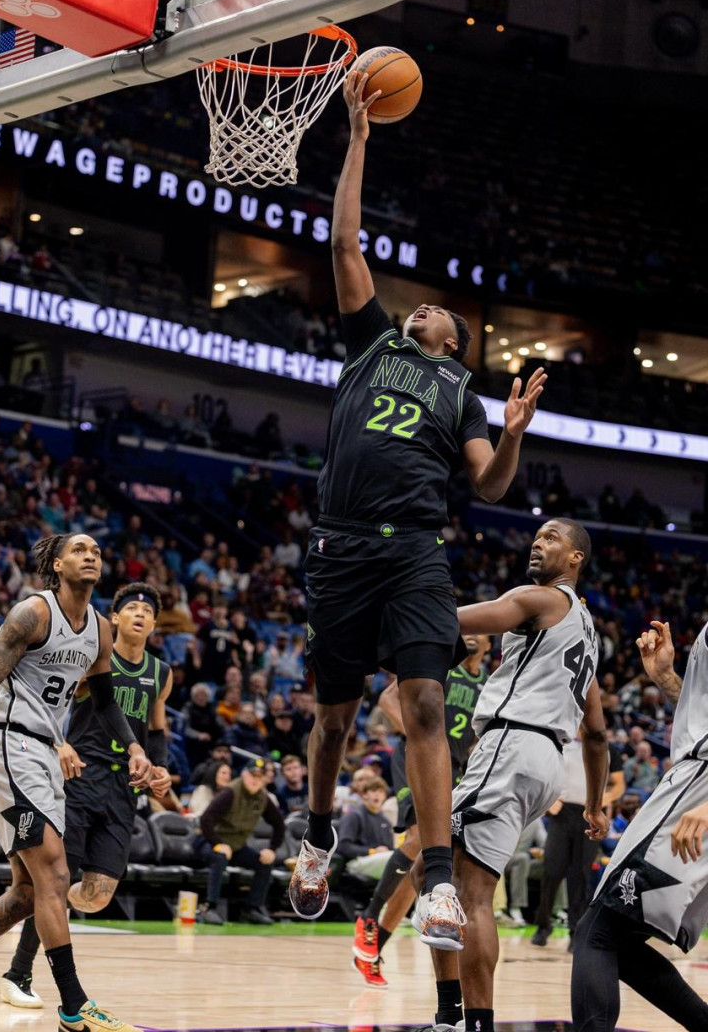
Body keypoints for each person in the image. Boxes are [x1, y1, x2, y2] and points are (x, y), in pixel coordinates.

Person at [289, 69, 546, 950]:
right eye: (421, 304)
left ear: (456, 343)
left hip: (413, 554)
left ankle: (436, 881)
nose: (423, 305)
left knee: (427, 702)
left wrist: (512, 435)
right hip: (341, 546)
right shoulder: (372, 344)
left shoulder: (463, 393)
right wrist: (359, 138)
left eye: (438, 310)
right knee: (333, 719)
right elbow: (344, 244)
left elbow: (490, 486)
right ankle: (317, 834)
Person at [434, 518, 610, 1032]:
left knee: (466, 889)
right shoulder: (586, 631)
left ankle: (468, 1023)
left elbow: (452, 619)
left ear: (575, 558)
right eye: (537, 536)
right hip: (547, 763)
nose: (538, 542)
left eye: (552, 537)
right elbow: (597, 734)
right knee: (435, 870)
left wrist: (396, 607)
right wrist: (595, 804)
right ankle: (451, 1016)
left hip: (511, 745)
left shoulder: (540, 600)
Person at [0, 534, 152, 1032]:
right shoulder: (33, 613)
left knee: (25, 895)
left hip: (45, 754)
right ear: (57, 564)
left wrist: (136, 748)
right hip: (10, 741)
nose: (91, 556)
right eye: (80, 550)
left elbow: (104, 700)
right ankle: (74, 1008)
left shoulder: (100, 629)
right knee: (57, 876)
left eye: (97, 552)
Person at [571, 620, 708, 1032]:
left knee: (598, 931)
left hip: (698, 793)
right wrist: (667, 679)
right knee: (620, 941)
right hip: (693, 787)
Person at [352, 634, 492, 996]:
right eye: (467, 629)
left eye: (480, 633)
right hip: (416, 755)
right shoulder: (443, 664)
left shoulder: (487, 683)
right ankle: (368, 917)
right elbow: (387, 699)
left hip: (453, 768)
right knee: (417, 838)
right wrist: (419, 734)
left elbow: (478, 735)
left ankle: (373, 949)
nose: (471, 635)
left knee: (421, 867)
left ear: (490, 644)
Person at [530, 726, 624, 950]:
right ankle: (543, 926)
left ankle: (575, 932)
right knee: (552, 871)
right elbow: (545, 773)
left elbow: (619, 785)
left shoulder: (609, 750)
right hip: (562, 813)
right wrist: (550, 800)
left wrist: (601, 800)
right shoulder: (562, 745)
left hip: (589, 815)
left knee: (580, 875)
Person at [196, 758, 285, 925]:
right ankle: (210, 907)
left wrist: (272, 849)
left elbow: (279, 824)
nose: (255, 780)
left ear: (264, 779)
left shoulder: (263, 798)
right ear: (244, 774)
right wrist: (217, 844)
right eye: (252, 775)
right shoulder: (230, 792)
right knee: (219, 857)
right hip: (207, 841)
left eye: (259, 776)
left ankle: (252, 909)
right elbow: (206, 819)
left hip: (235, 847)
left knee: (264, 863)